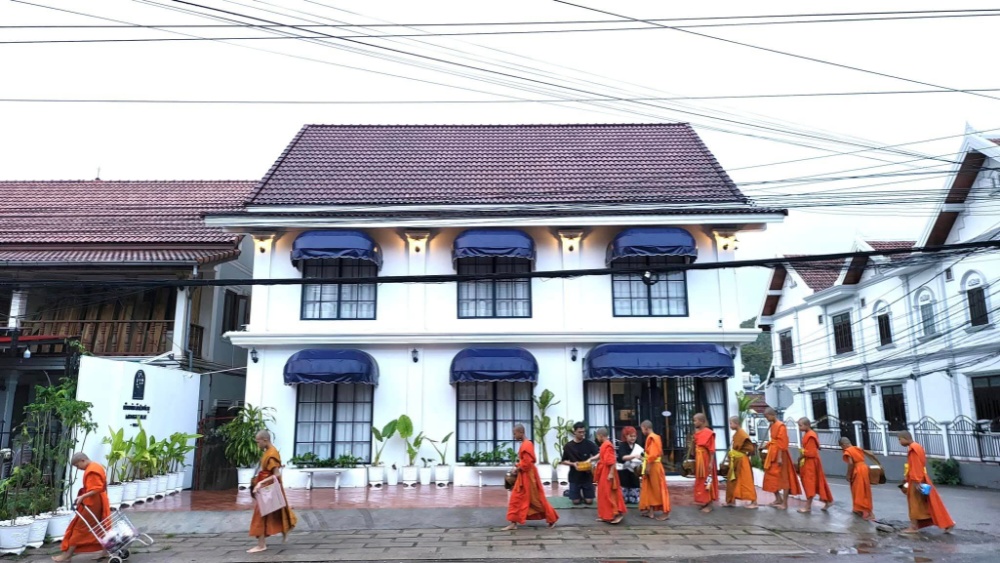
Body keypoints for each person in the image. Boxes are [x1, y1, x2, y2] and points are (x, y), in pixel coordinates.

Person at [53, 453, 110, 562]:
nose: (78, 469)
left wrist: (83, 496)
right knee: (100, 526)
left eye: (77, 465)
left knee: (79, 528)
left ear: (83, 460)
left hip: (93, 503)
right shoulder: (97, 466)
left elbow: (97, 488)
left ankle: (67, 555)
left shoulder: (92, 470)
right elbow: (103, 485)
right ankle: (105, 551)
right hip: (98, 501)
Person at [248, 430, 297, 553]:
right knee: (274, 513)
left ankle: (261, 545)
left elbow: (277, 475)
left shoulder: (272, 453)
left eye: (258, 442)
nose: (257, 444)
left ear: (265, 440)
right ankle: (285, 529)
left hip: (268, 488)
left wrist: (260, 483)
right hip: (266, 487)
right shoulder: (268, 452)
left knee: (261, 515)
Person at [898, 431, 955, 534]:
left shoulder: (913, 449)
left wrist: (916, 481)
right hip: (920, 478)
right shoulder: (917, 447)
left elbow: (916, 466)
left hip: (917, 479)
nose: (899, 442)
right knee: (929, 503)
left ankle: (914, 527)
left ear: (905, 438)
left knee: (915, 504)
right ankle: (948, 523)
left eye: (899, 439)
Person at [504, 424, 559, 530]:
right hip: (524, 475)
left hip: (528, 476)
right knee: (516, 499)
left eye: (514, 434)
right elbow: (524, 461)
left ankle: (552, 519)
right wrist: (517, 466)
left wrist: (517, 468)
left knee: (536, 499)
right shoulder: (525, 444)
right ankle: (513, 523)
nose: (514, 436)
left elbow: (527, 463)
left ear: (520, 432)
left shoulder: (527, 444)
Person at [761, 408, 801, 510]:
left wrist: (779, 458)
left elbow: (782, 443)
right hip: (772, 454)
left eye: (767, 417)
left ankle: (785, 503)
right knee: (770, 477)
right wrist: (765, 446)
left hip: (781, 455)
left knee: (784, 478)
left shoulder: (781, 426)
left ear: (772, 414)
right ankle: (778, 498)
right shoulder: (772, 425)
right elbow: (774, 441)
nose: (767, 419)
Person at [796, 418, 833, 513]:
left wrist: (802, 454)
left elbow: (811, 453)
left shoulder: (811, 435)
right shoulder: (808, 434)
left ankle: (808, 507)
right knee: (816, 483)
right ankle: (827, 501)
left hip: (811, 462)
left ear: (807, 425)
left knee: (810, 483)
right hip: (809, 461)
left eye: (801, 425)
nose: (799, 427)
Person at [560, 421, 599, 505]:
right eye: (579, 432)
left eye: (583, 432)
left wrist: (590, 460)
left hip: (587, 476)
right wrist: (573, 464)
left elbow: (599, 454)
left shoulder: (589, 444)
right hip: (574, 476)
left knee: (589, 501)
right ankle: (575, 494)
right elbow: (563, 461)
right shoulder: (568, 446)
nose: (582, 434)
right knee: (576, 502)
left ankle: (584, 494)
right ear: (574, 432)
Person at [638, 420, 670, 520]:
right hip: (651, 464)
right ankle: (651, 512)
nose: (642, 431)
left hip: (653, 466)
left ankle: (666, 512)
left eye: (642, 429)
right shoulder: (652, 437)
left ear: (646, 428)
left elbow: (653, 454)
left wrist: (648, 466)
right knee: (649, 488)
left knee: (658, 489)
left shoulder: (653, 438)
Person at [593, 428, 627, 524]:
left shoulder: (608, 445)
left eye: (597, 436)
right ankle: (605, 515)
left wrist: (611, 474)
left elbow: (612, 461)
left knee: (610, 494)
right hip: (604, 471)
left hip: (608, 472)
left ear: (600, 436)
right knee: (603, 494)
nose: (597, 438)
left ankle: (617, 514)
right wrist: (591, 459)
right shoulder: (605, 445)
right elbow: (601, 455)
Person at [725, 416, 758, 509]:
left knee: (746, 480)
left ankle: (754, 501)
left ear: (736, 424)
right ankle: (731, 501)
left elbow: (751, 448)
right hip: (736, 459)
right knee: (731, 480)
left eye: (731, 423)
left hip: (742, 460)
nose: (730, 425)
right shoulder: (737, 434)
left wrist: (742, 454)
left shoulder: (742, 434)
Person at [839, 437, 875, 521]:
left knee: (860, 491)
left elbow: (851, 463)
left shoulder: (848, 451)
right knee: (863, 490)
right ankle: (858, 509)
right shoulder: (857, 448)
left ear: (844, 445)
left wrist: (848, 474)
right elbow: (870, 453)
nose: (842, 449)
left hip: (858, 470)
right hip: (864, 468)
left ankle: (870, 513)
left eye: (841, 447)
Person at [692, 413, 718, 513]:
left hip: (706, 460)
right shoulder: (697, 432)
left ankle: (710, 504)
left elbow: (712, 450)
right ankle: (704, 502)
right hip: (699, 460)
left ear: (702, 421)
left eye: (696, 421)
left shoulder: (709, 433)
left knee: (708, 480)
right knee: (700, 481)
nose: (694, 423)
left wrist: (711, 463)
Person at [616, 426, 643, 505]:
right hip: (624, 472)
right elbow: (623, 457)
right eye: (630, 436)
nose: (633, 438)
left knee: (634, 501)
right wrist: (634, 456)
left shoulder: (637, 446)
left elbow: (642, 456)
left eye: (634, 436)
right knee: (623, 500)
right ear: (625, 436)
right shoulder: (622, 445)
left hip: (634, 472)